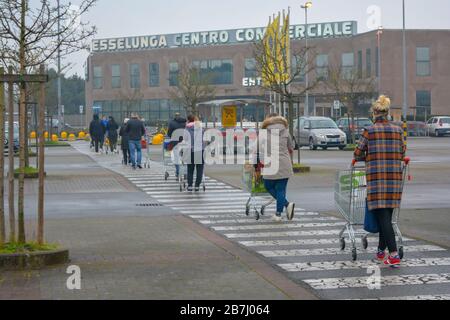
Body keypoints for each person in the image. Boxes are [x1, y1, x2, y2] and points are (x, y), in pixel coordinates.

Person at [354, 95, 406, 267]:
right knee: (387, 216)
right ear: (387, 112)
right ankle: (381, 251)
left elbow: (357, 153)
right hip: (394, 180)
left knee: (383, 218)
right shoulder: (398, 130)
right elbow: (402, 152)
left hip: (377, 180)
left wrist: (367, 155)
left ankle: (393, 254)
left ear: (375, 113)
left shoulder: (369, 130)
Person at [260, 113, 295, 222]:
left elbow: (258, 148)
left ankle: (281, 211)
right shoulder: (286, 132)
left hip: (270, 164)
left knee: (268, 186)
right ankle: (283, 209)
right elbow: (291, 148)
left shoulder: (264, 133)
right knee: (281, 189)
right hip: (285, 163)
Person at [184, 115, 204, 192]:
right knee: (199, 169)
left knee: (190, 169)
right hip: (199, 150)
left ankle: (189, 185)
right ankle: (197, 186)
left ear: (188, 121)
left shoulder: (187, 129)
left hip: (190, 150)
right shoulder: (200, 128)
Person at [168, 113, 187, 178]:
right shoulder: (185, 123)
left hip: (175, 142)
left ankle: (178, 172)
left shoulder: (172, 123)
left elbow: (169, 133)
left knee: (176, 157)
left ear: (175, 117)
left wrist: (172, 137)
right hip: (184, 142)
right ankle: (185, 172)